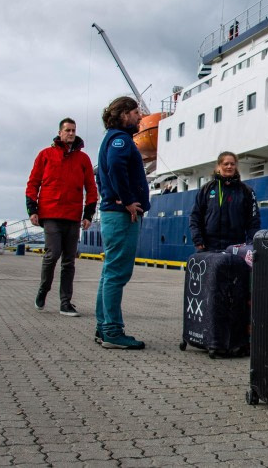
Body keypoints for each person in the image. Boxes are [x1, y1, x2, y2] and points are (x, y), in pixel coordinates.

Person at [26, 118, 98, 317]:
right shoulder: (45, 155)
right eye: (67, 130)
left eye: (73, 130)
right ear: (60, 133)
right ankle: (43, 290)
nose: (71, 133)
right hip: (50, 213)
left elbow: (91, 188)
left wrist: (88, 214)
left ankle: (65, 303)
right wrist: (32, 209)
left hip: (73, 216)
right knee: (53, 254)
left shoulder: (83, 159)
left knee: (69, 261)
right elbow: (33, 183)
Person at [95, 96, 151, 349]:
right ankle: (112, 331)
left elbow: (103, 173)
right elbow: (116, 166)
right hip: (121, 216)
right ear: (124, 114)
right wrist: (127, 200)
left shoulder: (112, 138)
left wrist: (110, 195)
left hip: (113, 212)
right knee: (117, 273)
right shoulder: (121, 139)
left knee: (109, 273)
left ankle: (103, 326)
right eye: (136, 112)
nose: (140, 117)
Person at [189, 151, 261, 252]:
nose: (229, 166)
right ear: (219, 166)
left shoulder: (246, 191)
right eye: (226, 164)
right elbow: (195, 216)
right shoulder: (207, 189)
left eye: (232, 164)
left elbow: (253, 221)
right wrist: (197, 239)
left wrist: (251, 243)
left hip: (236, 247)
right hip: (209, 247)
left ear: (236, 166)